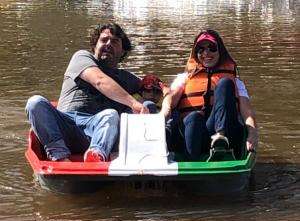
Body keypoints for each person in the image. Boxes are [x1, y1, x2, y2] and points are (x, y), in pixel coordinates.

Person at [25, 22, 150, 163]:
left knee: (110, 114)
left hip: (95, 131)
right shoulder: (82, 57)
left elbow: (158, 89)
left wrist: (159, 92)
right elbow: (99, 80)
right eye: (104, 40)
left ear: (123, 51)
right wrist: (133, 102)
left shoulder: (127, 78)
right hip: (65, 125)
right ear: (95, 45)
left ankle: (96, 155)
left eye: (114, 42)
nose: (108, 44)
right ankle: (59, 157)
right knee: (35, 103)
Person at [161, 29, 258, 161]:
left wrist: (252, 133)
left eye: (212, 48)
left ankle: (220, 139)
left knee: (224, 84)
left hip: (226, 135)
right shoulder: (184, 78)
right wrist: (164, 112)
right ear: (196, 53)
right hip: (195, 131)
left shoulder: (236, 82)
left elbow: (247, 113)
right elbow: (170, 99)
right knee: (194, 117)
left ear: (220, 51)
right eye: (200, 49)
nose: (206, 53)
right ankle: (191, 163)